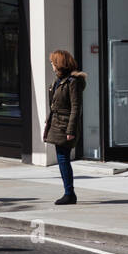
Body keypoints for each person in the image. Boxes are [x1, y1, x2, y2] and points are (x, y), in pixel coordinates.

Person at [44, 49, 85, 206]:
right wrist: (48, 125)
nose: (52, 66)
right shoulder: (58, 81)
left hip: (65, 124)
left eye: (53, 63)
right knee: (62, 159)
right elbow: (53, 105)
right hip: (56, 123)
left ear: (60, 64)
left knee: (63, 159)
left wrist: (71, 130)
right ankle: (68, 192)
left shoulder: (72, 82)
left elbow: (76, 107)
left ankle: (69, 194)